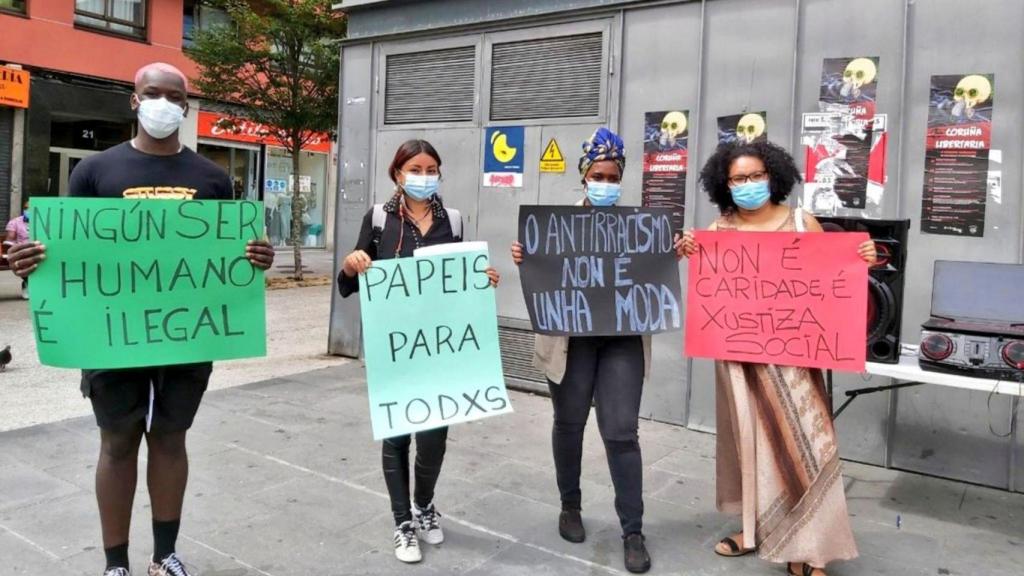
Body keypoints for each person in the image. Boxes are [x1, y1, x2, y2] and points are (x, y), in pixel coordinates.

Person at [5, 62, 275, 576]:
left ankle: (164, 555)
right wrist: (31, 263)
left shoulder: (213, 179)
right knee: (118, 441)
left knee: (171, 440)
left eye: (175, 96)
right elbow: (62, 254)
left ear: (186, 106)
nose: (163, 103)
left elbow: (231, 258)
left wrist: (256, 260)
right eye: (153, 93)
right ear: (134, 100)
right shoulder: (93, 172)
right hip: (111, 338)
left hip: (185, 335)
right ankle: (115, 564)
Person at [681, 140, 875, 576]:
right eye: (738, 179)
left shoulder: (803, 224)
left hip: (796, 366)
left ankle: (810, 546)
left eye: (755, 176)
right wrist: (689, 249)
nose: (748, 185)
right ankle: (754, 530)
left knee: (807, 447)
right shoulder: (719, 229)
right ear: (724, 185)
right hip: (739, 363)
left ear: (774, 177)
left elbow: (832, 284)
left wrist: (861, 259)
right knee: (749, 444)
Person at [511, 128, 685, 574]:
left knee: (622, 431)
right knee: (568, 424)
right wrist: (527, 256)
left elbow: (651, 268)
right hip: (571, 342)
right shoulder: (554, 228)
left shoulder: (639, 226)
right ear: (583, 177)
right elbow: (543, 271)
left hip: (622, 339)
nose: (605, 182)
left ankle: (633, 530)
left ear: (620, 178)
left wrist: (672, 254)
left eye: (612, 176)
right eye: (597, 175)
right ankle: (570, 505)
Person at [337, 139, 500, 564]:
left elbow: (463, 283)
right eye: (415, 168)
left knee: (434, 437)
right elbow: (350, 281)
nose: (424, 177)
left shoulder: (457, 221)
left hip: (441, 351)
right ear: (397, 174)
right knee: (396, 436)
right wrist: (352, 263)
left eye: (431, 169)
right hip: (397, 349)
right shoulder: (378, 220)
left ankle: (424, 506)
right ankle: (401, 522)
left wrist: (483, 280)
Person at [4, 198, 31, 299]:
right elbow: (10, 239)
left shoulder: (43, 221)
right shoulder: (15, 222)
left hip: (38, 247)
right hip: (22, 250)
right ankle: (27, 283)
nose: (28, 210)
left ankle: (33, 285)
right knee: (24, 259)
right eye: (26, 208)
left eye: (30, 208)